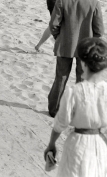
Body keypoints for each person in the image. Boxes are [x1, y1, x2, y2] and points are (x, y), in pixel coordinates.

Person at [43, 38, 107, 176]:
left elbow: (61, 122)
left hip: (78, 143)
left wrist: (52, 144)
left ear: (83, 63)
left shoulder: (74, 91)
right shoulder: (105, 91)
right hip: (99, 145)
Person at [45, 0, 104, 117]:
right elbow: (99, 31)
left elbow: (53, 25)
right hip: (86, 48)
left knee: (61, 77)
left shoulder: (62, 0)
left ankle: (54, 110)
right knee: (82, 80)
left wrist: (60, 37)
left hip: (65, 44)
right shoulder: (94, 3)